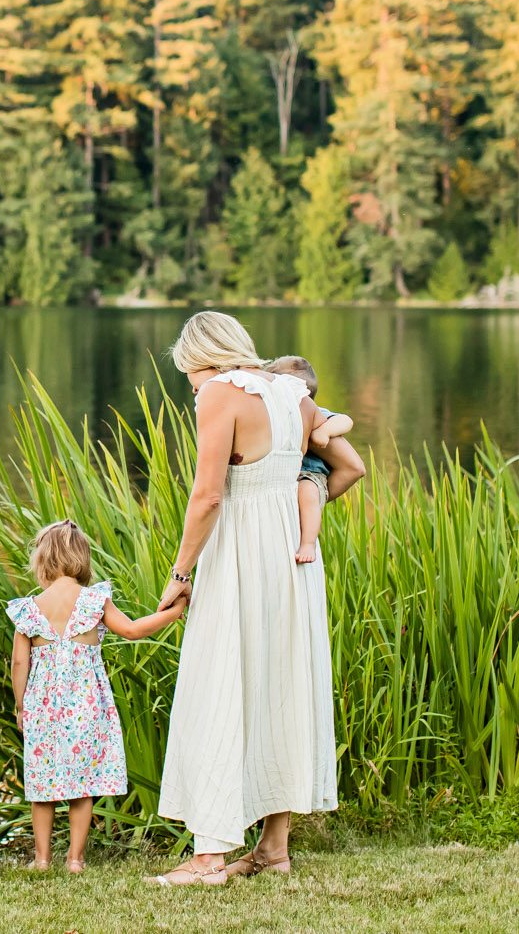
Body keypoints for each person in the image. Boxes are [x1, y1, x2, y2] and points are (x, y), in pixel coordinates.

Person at [150, 313, 363, 887]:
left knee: (219, 684)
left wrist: (180, 571)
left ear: (203, 358)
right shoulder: (293, 392)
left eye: (188, 372)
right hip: (292, 561)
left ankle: (209, 858)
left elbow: (208, 494)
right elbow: (345, 467)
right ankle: (273, 848)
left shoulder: (221, 393)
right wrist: (294, 512)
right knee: (278, 687)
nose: (190, 385)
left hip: (239, 557)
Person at [7, 521, 186, 874]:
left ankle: (42, 860)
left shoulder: (29, 608)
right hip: (85, 705)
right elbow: (133, 630)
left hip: (42, 706)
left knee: (42, 783)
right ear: (81, 559)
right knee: (82, 784)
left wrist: (21, 705)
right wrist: (174, 613)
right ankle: (75, 859)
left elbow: (18, 662)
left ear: (43, 560)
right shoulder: (93, 600)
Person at [263, 355, 365, 565]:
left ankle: (308, 542)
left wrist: (324, 432)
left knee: (308, 493)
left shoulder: (314, 413)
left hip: (310, 475)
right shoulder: (270, 415)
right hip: (285, 479)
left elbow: (345, 420)